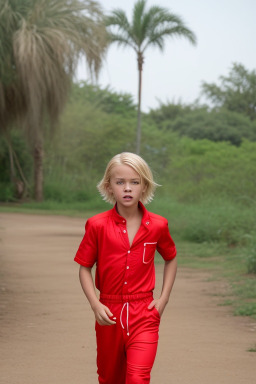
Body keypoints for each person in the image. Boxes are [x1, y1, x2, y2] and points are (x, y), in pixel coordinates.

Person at [74, 152, 177, 384]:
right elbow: (84, 268)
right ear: (109, 187)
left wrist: (164, 299)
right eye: (120, 182)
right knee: (109, 378)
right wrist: (95, 304)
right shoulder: (96, 225)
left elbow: (171, 258)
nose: (127, 188)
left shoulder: (158, 225)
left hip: (145, 312)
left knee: (138, 377)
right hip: (109, 313)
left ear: (144, 186)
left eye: (134, 182)